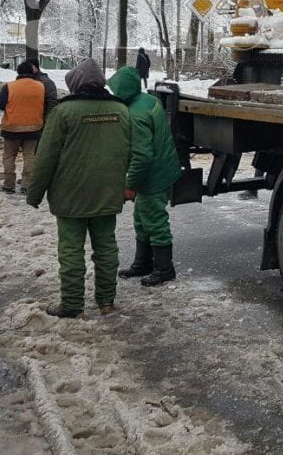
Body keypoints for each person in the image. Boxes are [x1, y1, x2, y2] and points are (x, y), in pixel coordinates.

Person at [27, 58, 131, 318]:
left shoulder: (64, 112)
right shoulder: (121, 111)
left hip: (70, 194)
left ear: (75, 84)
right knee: (106, 247)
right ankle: (106, 301)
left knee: (71, 249)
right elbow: (128, 151)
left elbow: (46, 157)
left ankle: (72, 303)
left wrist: (34, 193)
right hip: (107, 192)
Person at [108, 66, 182, 286]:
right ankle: (143, 263)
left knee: (155, 221)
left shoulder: (134, 115)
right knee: (141, 218)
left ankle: (164, 268)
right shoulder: (149, 101)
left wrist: (130, 184)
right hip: (163, 167)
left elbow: (142, 156)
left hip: (153, 176)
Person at [0, 63, 47, 194]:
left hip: (12, 128)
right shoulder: (41, 87)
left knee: (9, 156)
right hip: (34, 127)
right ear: (32, 72)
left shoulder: (10, 86)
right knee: (30, 156)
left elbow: (0, 104)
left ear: (17, 72)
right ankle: (27, 185)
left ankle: (9, 185)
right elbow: (45, 104)